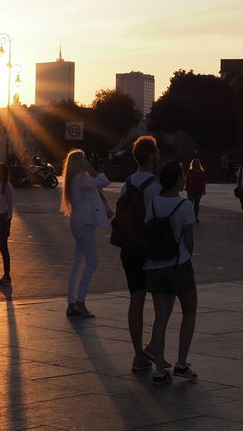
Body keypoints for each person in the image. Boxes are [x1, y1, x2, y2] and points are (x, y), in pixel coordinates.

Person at [145, 160, 198, 384]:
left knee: (160, 316)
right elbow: (189, 240)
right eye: (183, 176)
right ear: (177, 180)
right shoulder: (184, 206)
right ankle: (181, 363)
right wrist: (187, 257)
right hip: (179, 264)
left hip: (155, 265)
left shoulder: (154, 204)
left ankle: (159, 369)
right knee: (189, 311)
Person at [115, 136, 163, 372]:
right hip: (150, 250)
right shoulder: (156, 186)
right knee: (162, 300)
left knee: (136, 300)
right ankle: (154, 347)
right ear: (152, 155)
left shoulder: (128, 183)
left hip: (129, 249)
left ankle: (138, 355)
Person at [61, 148, 110, 317]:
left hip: (79, 223)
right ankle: (80, 302)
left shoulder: (73, 179)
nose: (87, 161)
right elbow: (104, 182)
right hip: (85, 224)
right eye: (84, 159)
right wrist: (93, 170)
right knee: (92, 262)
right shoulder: (82, 178)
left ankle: (72, 303)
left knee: (78, 265)